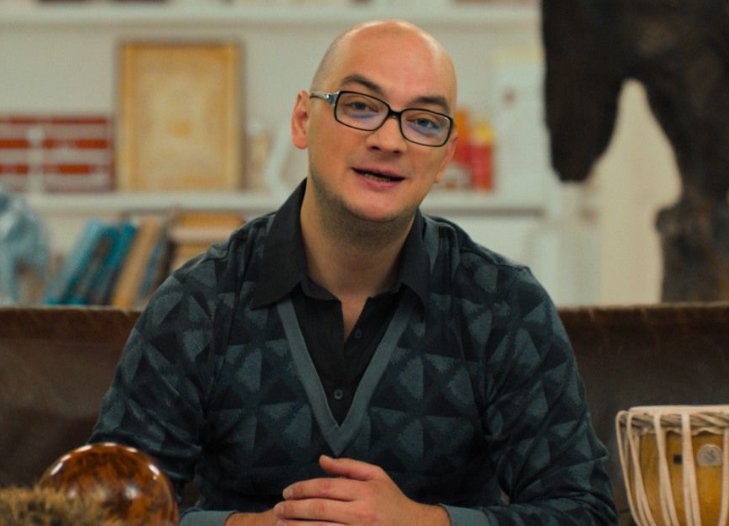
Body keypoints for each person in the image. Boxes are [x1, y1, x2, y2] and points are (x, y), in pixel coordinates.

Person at [90, 19, 617, 526]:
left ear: (445, 157)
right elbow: (100, 512)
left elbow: (584, 511)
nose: (390, 140)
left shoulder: (504, 306)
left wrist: (424, 524)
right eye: (361, 107)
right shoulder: (198, 304)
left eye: (424, 121)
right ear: (303, 120)